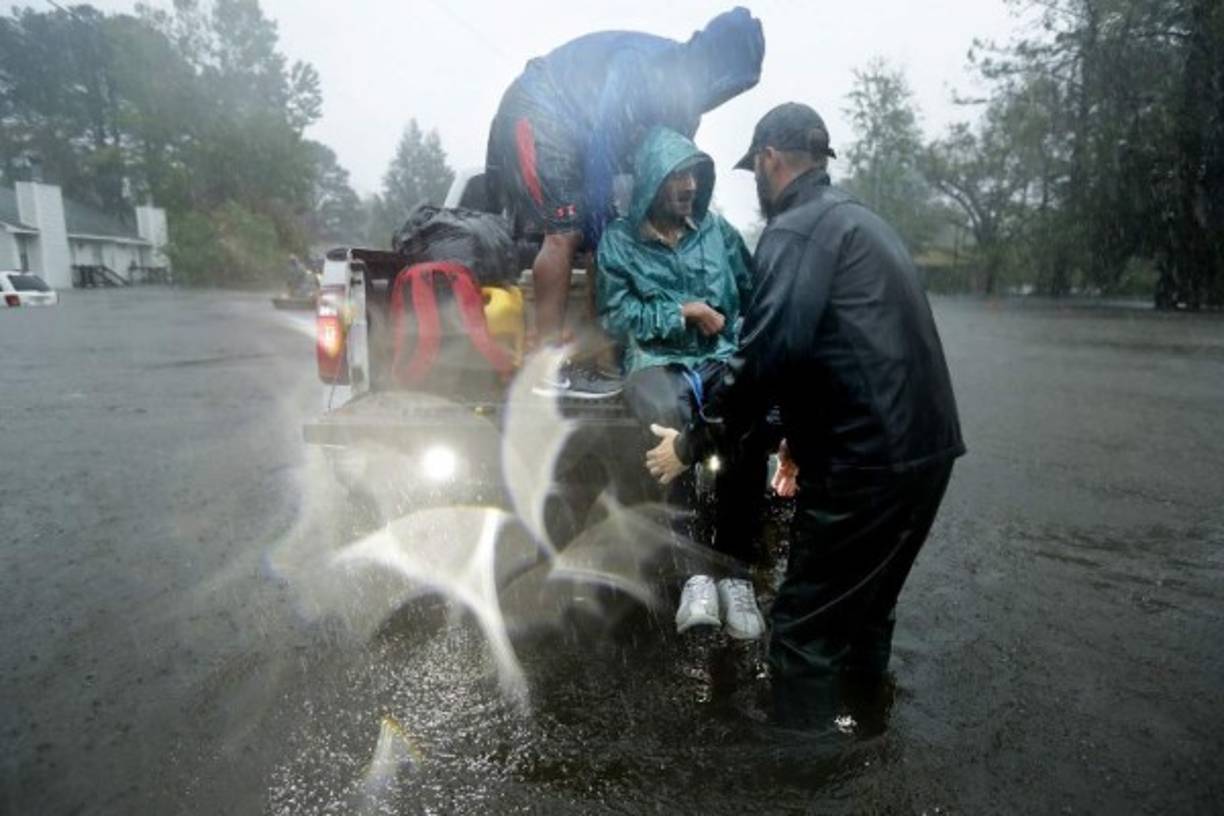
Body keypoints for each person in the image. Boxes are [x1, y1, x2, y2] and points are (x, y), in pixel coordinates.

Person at [646, 103, 966, 726]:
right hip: (927, 452)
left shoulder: (794, 231)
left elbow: (768, 356)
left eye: (755, 170)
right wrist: (797, 434)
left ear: (768, 159)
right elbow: (848, 342)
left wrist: (691, 443)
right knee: (867, 608)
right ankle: (865, 730)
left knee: (801, 633)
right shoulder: (859, 221)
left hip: (865, 464)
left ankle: (806, 779)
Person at [485, 7, 764, 397]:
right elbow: (602, 152)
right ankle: (543, 366)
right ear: (712, 61)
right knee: (566, 231)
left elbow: (663, 163)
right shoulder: (642, 68)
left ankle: (598, 357)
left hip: (580, 130)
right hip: (544, 107)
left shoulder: (686, 100)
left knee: (603, 233)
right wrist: (608, 239)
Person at [597, 126, 769, 639]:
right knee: (662, 420)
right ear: (652, 182)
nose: (689, 185)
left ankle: (735, 576)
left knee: (744, 418)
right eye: (677, 176)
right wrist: (683, 312)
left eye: (693, 174)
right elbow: (615, 316)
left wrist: (740, 336)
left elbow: (756, 294)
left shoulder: (717, 233)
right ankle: (692, 573)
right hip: (655, 359)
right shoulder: (618, 243)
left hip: (718, 356)